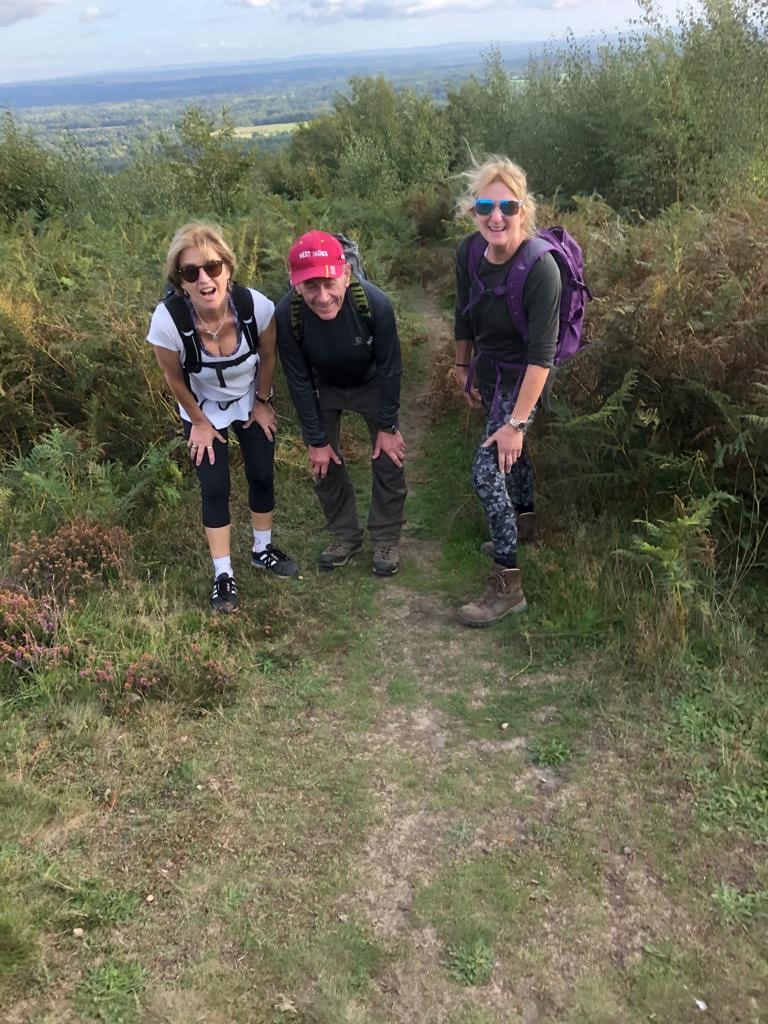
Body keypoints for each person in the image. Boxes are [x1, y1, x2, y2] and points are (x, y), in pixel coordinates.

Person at [148, 222, 298, 613]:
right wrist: (198, 423)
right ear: (180, 281)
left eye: (212, 267)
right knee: (214, 486)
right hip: (201, 405)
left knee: (261, 472)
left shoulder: (257, 308)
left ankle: (262, 550)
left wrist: (262, 401)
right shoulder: (167, 322)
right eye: (190, 272)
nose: (204, 279)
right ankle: (223, 574)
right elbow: (173, 378)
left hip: (249, 396)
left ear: (227, 268)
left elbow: (268, 356)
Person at [453, 157, 561, 627]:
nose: (495, 216)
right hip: (491, 371)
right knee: (508, 454)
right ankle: (524, 522)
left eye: (507, 206)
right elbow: (463, 313)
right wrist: (463, 366)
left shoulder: (541, 269)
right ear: (473, 210)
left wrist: (516, 423)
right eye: (485, 206)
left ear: (524, 209)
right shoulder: (469, 253)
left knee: (487, 467)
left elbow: (542, 357)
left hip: (527, 377)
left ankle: (507, 584)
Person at [275, 230, 407, 576]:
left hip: (371, 380)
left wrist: (388, 425)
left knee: (389, 457)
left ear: (346, 274)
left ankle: (386, 538)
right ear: (295, 283)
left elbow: (391, 367)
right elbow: (298, 380)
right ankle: (344, 536)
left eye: (329, 283)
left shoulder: (375, 304)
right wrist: (315, 440)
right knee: (323, 462)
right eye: (310, 286)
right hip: (324, 385)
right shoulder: (287, 315)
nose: (322, 297)